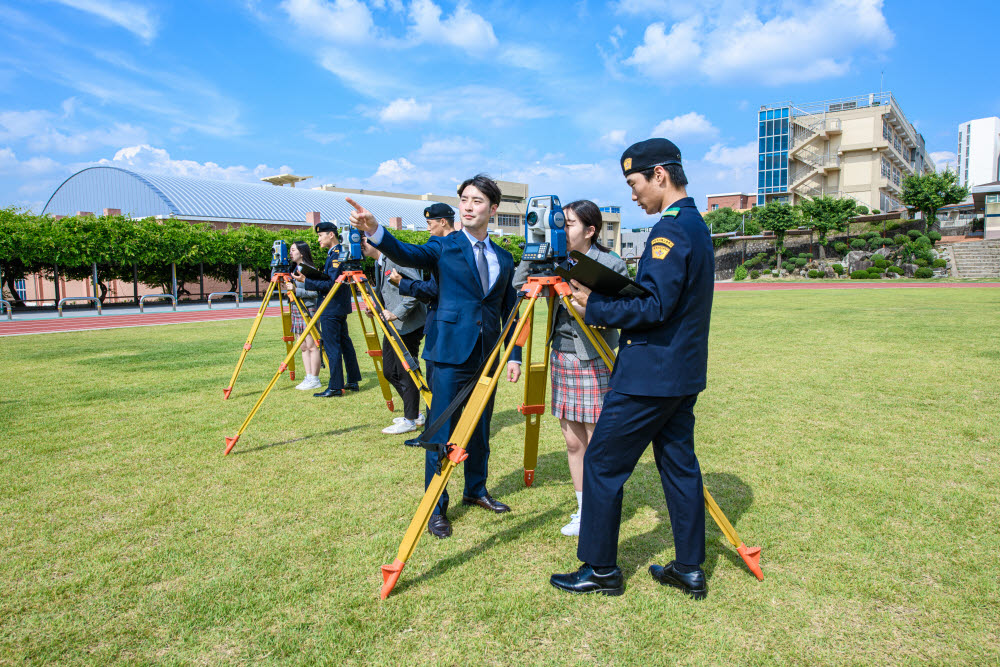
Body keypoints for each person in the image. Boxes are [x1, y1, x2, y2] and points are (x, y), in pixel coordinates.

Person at [549, 138, 715, 599]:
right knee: (679, 467)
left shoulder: (670, 230)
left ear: (659, 175)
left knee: (601, 463)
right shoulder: (696, 225)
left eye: (634, 183)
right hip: (681, 373)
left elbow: (656, 305)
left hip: (650, 375)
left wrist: (595, 304)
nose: (634, 193)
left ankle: (600, 570)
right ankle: (689, 568)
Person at [348, 175, 522, 540]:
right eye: (464, 200)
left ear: (493, 208)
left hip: (487, 356)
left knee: (480, 429)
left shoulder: (504, 257)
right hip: (447, 354)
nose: (469, 206)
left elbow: (511, 312)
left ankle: (476, 490)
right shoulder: (443, 246)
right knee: (440, 431)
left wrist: (514, 355)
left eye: (477, 200)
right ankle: (435, 506)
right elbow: (408, 253)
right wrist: (377, 230)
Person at [512, 200, 628, 537]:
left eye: (569, 224)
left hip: (595, 355)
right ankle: (583, 509)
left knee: (596, 439)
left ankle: (600, 508)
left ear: (590, 230)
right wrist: (533, 252)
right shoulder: (552, 260)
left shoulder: (610, 264)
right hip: (562, 355)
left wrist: (591, 302)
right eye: (558, 224)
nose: (561, 230)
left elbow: (625, 310)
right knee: (572, 441)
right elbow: (518, 287)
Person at [362, 237, 428, 435]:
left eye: (364, 239)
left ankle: (410, 418)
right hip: (392, 325)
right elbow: (384, 290)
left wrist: (396, 312)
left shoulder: (396, 259)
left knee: (405, 370)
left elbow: (416, 288)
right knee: (389, 371)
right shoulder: (379, 262)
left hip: (407, 324)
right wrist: (376, 307)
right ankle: (414, 412)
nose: (360, 244)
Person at [293, 221, 362, 397]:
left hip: (331, 306)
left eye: (320, 235)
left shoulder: (337, 254)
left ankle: (336, 386)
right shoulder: (336, 253)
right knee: (345, 343)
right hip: (338, 306)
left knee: (332, 347)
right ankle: (352, 380)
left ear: (331, 235)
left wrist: (305, 281)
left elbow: (332, 284)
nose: (318, 240)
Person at [284, 241, 322, 390]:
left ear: (302, 252)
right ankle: (308, 376)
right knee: (303, 346)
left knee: (312, 346)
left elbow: (315, 292)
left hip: (309, 309)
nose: (291, 253)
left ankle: (315, 378)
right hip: (297, 309)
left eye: (293, 250)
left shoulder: (309, 269)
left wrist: (295, 290)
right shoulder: (294, 269)